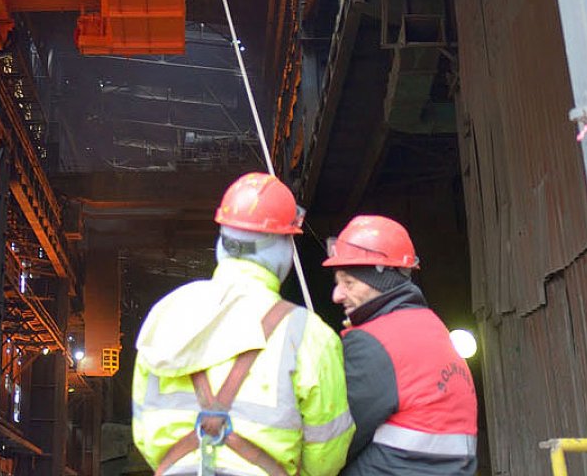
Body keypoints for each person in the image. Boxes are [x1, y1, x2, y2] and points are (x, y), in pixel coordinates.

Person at [132, 173, 354, 476]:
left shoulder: (166, 313)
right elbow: (327, 451)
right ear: (283, 247)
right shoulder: (307, 333)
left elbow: (143, 427)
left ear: (222, 242)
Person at [322, 215, 477, 476]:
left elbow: (337, 440)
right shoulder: (432, 326)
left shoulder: (375, 341)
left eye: (348, 283)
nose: (337, 295)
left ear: (381, 280)